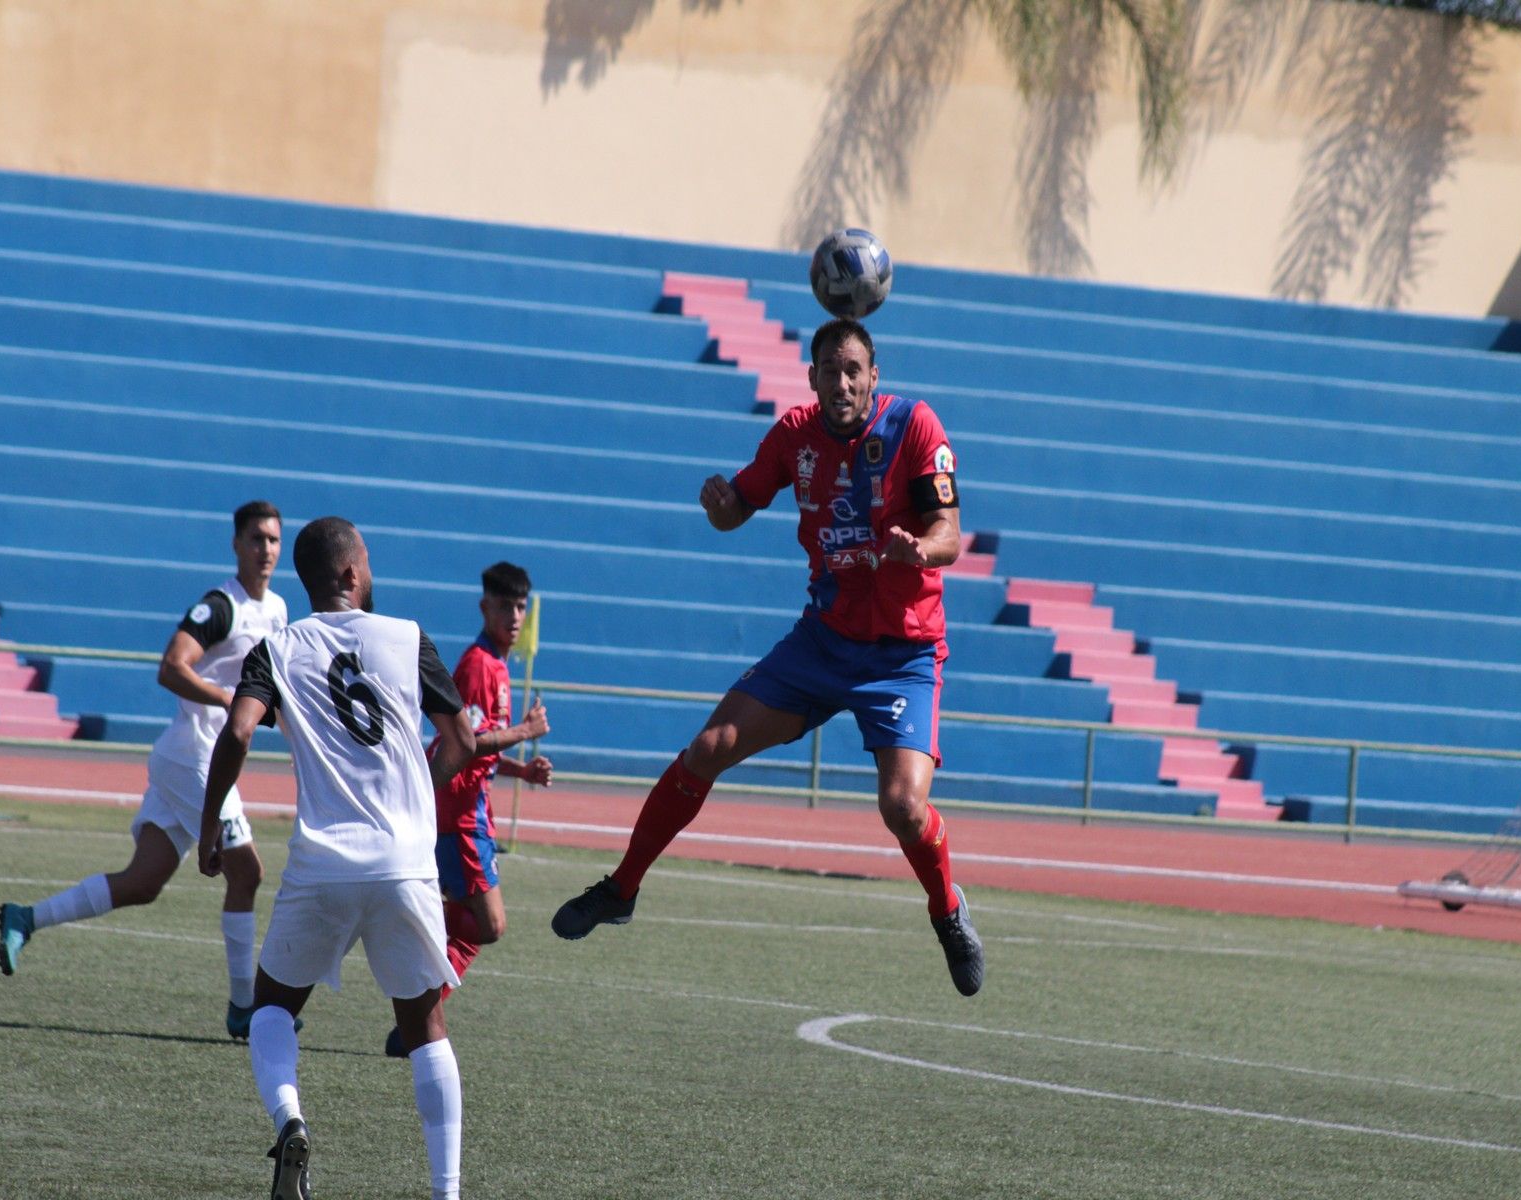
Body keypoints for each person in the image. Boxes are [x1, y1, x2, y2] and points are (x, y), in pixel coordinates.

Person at [550, 316, 985, 997]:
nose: (842, 382)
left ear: (875, 377)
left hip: (901, 651)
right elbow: (738, 509)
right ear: (811, 379)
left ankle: (947, 911)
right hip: (821, 641)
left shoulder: (916, 427)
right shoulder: (793, 436)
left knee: (902, 807)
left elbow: (951, 533)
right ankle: (622, 887)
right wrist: (720, 504)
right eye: (829, 371)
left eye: (854, 370)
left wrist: (920, 549)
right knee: (708, 746)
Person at [198, 516, 475, 1200]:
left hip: (323, 863)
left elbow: (236, 731)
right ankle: (447, 1191)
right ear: (352, 575)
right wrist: (416, 795)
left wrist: (211, 823)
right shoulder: (408, 638)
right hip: (406, 863)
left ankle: (290, 1121)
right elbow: (462, 741)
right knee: (424, 1023)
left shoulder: (279, 646)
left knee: (269, 1007)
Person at [0, 500, 292, 1037]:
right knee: (247, 872)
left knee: (143, 882)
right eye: (256, 539)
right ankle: (244, 1008)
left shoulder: (277, 609)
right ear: (236, 544)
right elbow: (171, 667)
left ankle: (25, 917)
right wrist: (226, 698)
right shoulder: (220, 606)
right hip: (195, 757)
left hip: (193, 758)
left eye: (273, 539)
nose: (266, 549)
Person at [384, 560, 552, 1058]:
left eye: (521, 606)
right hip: (460, 817)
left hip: (467, 813)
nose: (515, 616)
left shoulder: (496, 665)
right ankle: (417, 1013)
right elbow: (466, 742)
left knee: (470, 923)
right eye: (505, 606)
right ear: (485, 607)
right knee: (489, 925)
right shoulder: (481, 666)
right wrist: (524, 732)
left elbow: (475, 750)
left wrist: (522, 770)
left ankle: (414, 1022)